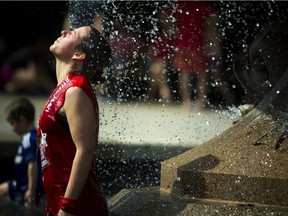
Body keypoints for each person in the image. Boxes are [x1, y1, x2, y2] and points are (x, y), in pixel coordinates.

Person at [37, 25, 111, 216]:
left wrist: (67, 207)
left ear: (79, 54)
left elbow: (85, 150)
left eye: (74, 33)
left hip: (78, 208)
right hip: (61, 202)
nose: (63, 31)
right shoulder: (66, 87)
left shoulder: (75, 90)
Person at [0, 97, 44, 206]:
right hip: (20, 184)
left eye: (12, 123)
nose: (11, 128)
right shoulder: (33, 137)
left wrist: (31, 190)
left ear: (22, 120)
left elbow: (32, 166)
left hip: (25, 187)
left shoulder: (29, 140)